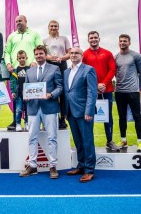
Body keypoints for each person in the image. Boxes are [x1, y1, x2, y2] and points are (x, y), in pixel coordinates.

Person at [19, 45, 62, 179]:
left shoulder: (54, 68)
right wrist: (25, 96)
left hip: (49, 107)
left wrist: (51, 94)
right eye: (36, 54)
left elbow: (60, 87)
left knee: (52, 137)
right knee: (32, 137)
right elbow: (25, 88)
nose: (38, 56)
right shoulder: (30, 71)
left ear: (45, 54)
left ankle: (53, 166)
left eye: (41, 54)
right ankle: (32, 165)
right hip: (33, 108)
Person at [64, 47, 97, 183]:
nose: (73, 55)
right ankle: (81, 165)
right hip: (70, 112)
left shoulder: (88, 70)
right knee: (78, 142)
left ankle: (89, 170)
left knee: (87, 141)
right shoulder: (66, 71)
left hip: (84, 112)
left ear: (82, 55)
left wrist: (89, 111)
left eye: (76, 53)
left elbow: (92, 92)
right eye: (71, 53)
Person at [4, 15, 43, 131]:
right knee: (16, 96)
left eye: (20, 21)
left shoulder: (34, 34)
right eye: (16, 21)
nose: (18, 23)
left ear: (26, 21)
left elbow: (40, 48)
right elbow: (7, 52)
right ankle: (16, 122)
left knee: (30, 97)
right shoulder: (12, 36)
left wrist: (35, 61)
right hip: (15, 70)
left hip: (30, 69)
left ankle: (29, 121)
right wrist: (8, 64)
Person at [82, 31, 119, 151]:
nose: (93, 39)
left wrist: (104, 83)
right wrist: (95, 86)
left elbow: (112, 70)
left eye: (95, 37)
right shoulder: (85, 55)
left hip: (106, 90)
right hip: (91, 91)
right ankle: (89, 142)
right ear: (88, 40)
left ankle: (109, 141)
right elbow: (84, 72)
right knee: (89, 116)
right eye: (91, 38)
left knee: (107, 116)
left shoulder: (107, 53)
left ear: (99, 39)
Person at [115, 34, 141, 152]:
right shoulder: (115, 57)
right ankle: (123, 141)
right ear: (118, 43)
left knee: (137, 117)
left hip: (133, 91)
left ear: (129, 43)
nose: (122, 43)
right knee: (121, 117)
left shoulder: (136, 56)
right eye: (121, 41)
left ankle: (139, 142)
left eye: (125, 41)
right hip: (119, 92)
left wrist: (137, 87)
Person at [43, 20, 71, 129]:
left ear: (58, 27)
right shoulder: (44, 40)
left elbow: (70, 53)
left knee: (62, 91)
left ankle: (62, 118)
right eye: (52, 26)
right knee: (51, 89)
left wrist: (61, 58)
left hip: (61, 65)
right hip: (49, 65)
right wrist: (48, 57)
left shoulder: (64, 39)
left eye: (56, 26)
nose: (53, 28)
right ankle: (51, 117)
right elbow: (42, 54)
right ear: (48, 27)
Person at [10, 50, 30, 132]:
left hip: (27, 93)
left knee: (28, 109)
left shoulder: (29, 69)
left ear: (26, 58)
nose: (22, 59)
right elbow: (12, 82)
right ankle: (18, 124)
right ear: (17, 59)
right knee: (18, 109)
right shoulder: (14, 71)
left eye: (23, 58)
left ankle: (27, 123)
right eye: (20, 58)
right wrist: (12, 92)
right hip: (18, 94)